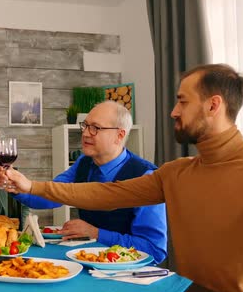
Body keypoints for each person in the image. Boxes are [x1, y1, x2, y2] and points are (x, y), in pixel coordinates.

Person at [5, 64, 243, 292]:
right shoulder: (174, 173)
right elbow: (108, 194)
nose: (174, 112)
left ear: (214, 105)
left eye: (182, 101)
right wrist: (32, 187)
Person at [12, 101, 167, 263]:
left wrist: (97, 233)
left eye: (95, 128)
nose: (85, 133)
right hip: (90, 264)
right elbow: (52, 195)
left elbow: (154, 250)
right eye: (85, 126)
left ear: (119, 135)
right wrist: (15, 186)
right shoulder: (84, 162)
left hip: (129, 276)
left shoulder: (146, 176)